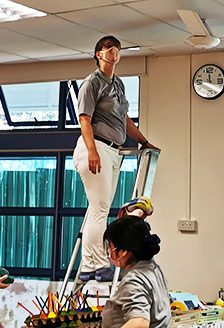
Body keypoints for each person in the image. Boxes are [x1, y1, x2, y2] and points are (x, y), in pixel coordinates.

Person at [73, 36, 158, 282]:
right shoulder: (92, 83)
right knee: (99, 210)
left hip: (113, 150)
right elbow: (84, 120)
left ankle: (89, 265)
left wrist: (143, 141)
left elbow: (124, 120)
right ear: (98, 54)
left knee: (98, 209)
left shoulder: (118, 84)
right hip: (95, 146)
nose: (114, 51)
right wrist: (92, 150)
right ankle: (99, 264)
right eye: (108, 47)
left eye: (117, 48)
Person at [101, 217, 170, 328]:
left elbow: (140, 322)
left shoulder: (134, 279)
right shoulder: (154, 268)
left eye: (110, 246)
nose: (109, 251)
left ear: (123, 251)